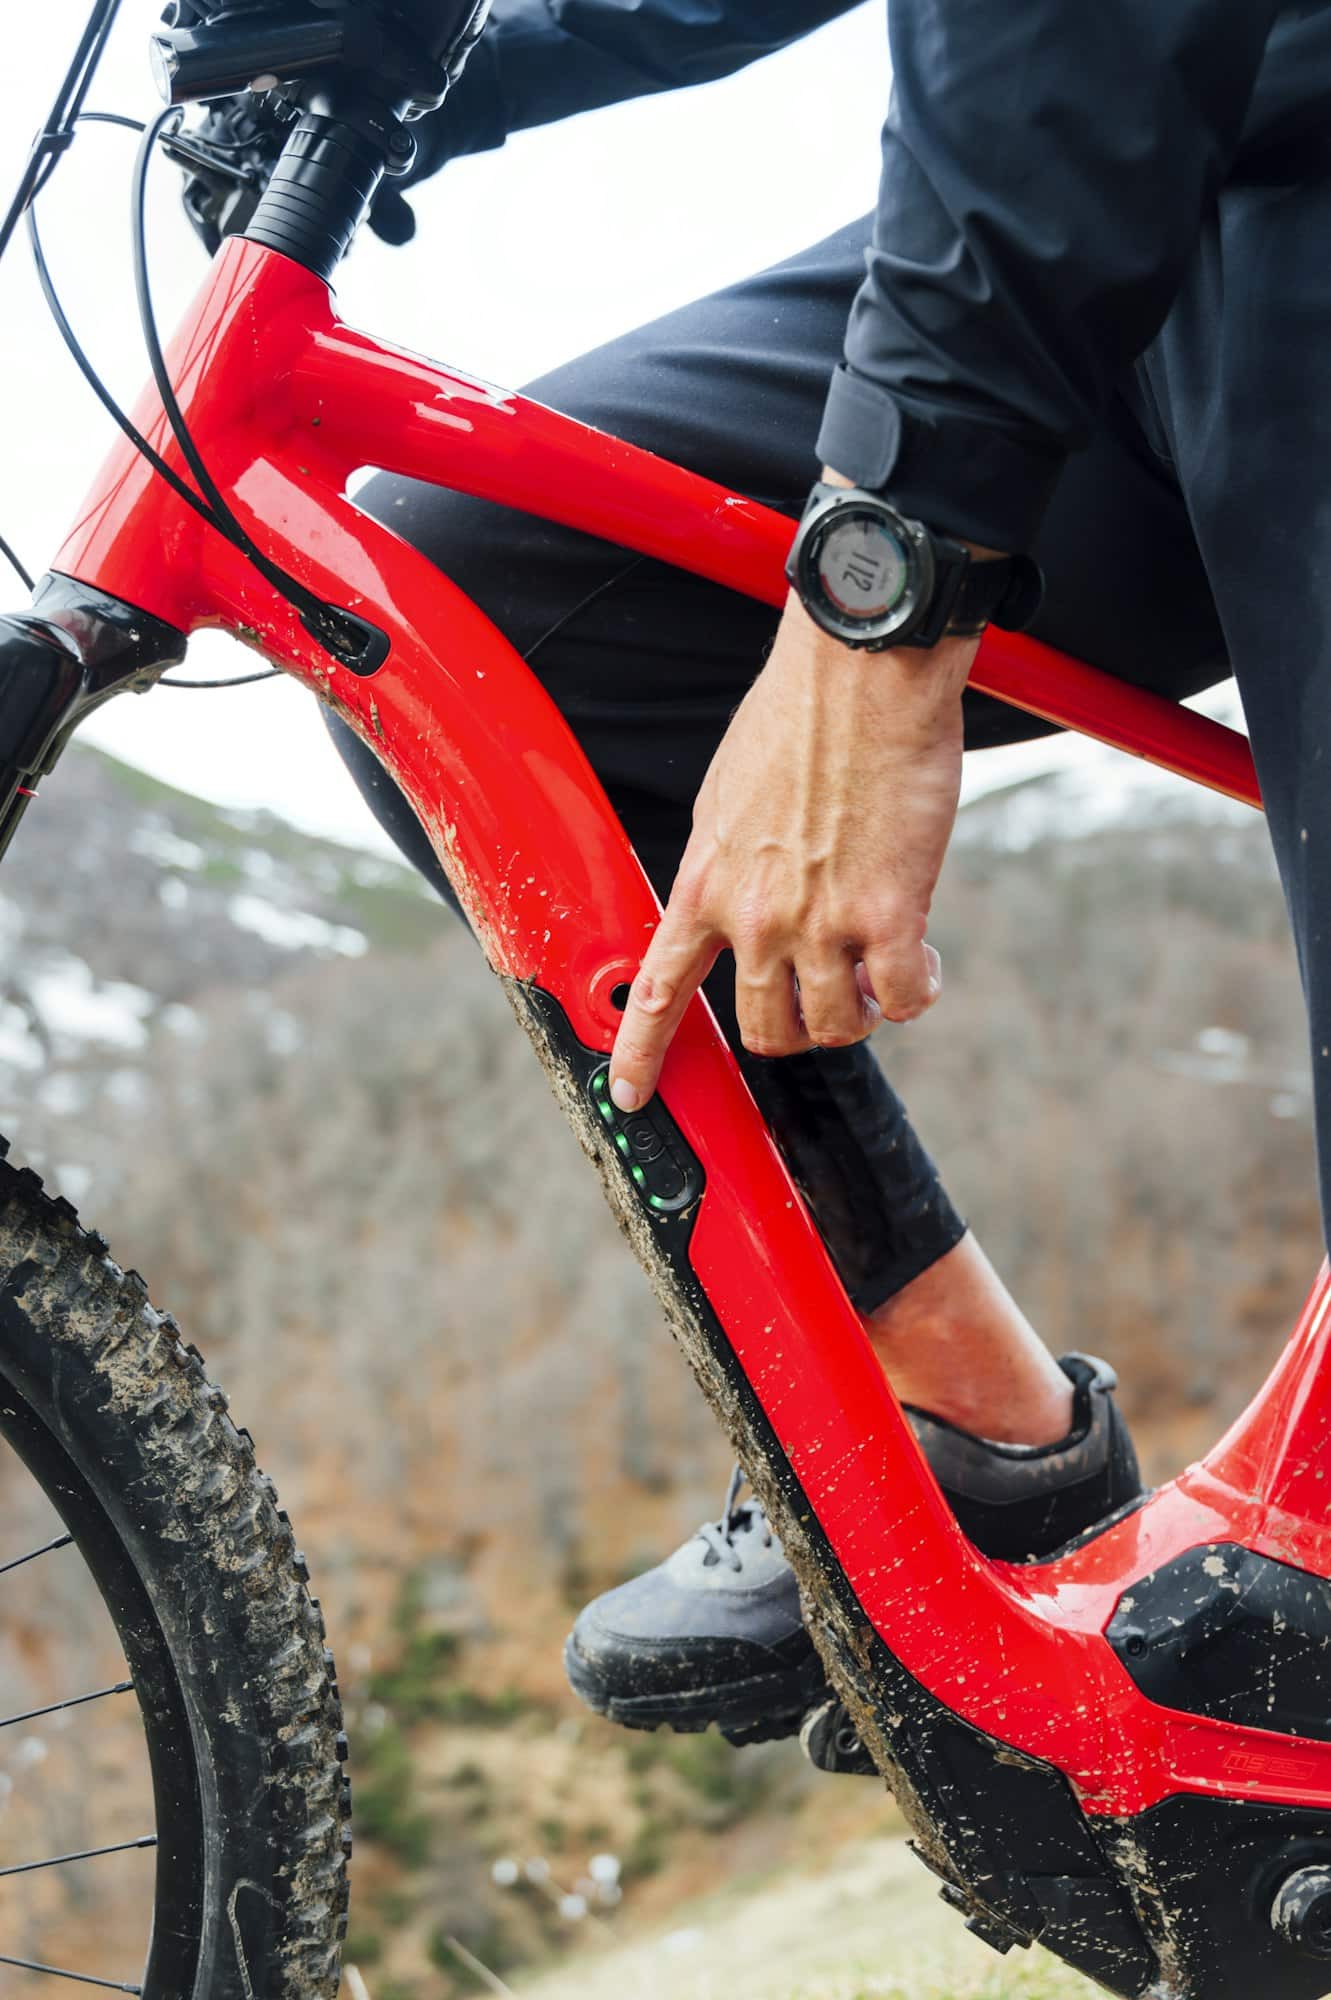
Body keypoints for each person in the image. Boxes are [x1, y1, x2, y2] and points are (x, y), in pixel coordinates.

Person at [324, 0, 1327, 1755]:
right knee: (454, 595)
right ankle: (960, 1410)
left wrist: (893, 575)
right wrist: (448, 39)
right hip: (1124, 168)